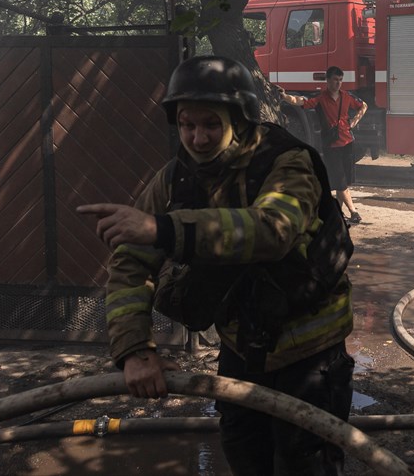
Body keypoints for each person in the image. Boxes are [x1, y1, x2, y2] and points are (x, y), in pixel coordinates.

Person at [78, 55, 354, 476]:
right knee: (245, 458)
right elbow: (131, 265)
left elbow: (272, 230)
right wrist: (135, 351)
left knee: (307, 464)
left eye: (210, 124)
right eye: (187, 125)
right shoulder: (174, 179)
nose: (197, 137)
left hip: (310, 355)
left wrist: (163, 229)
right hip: (242, 350)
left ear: (240, 119)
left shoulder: (287, 163)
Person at [278, 66, 367, 225]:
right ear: (327, 80)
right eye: (335, 79)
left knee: (344, 182)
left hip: (348, 143)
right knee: (340, 182)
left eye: (340, 80)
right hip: (331, 146)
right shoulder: (320, 98)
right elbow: (300, 101)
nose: (338, 83)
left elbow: (363, 106)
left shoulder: (347, 96)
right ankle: (353, 211)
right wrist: (285, 97)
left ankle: (337, 215)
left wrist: (354, 121)